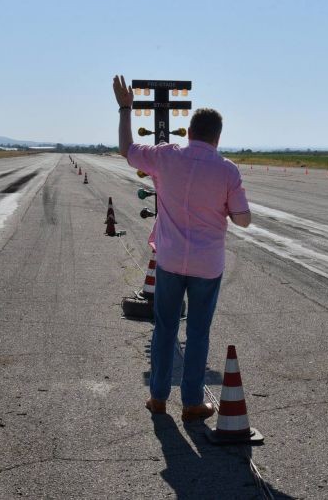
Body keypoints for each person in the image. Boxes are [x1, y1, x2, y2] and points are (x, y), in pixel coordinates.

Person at [112, 75, 251, 422]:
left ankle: (158, 398)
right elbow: (243, 220)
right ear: (218, 138)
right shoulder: (228, 171)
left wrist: (125, 109)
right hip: (207, 265)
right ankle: (191, 403)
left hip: (170, 260)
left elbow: (127, 149)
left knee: (165, 329)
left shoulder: (166, 156)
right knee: (198, 333)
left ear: (188, 132)